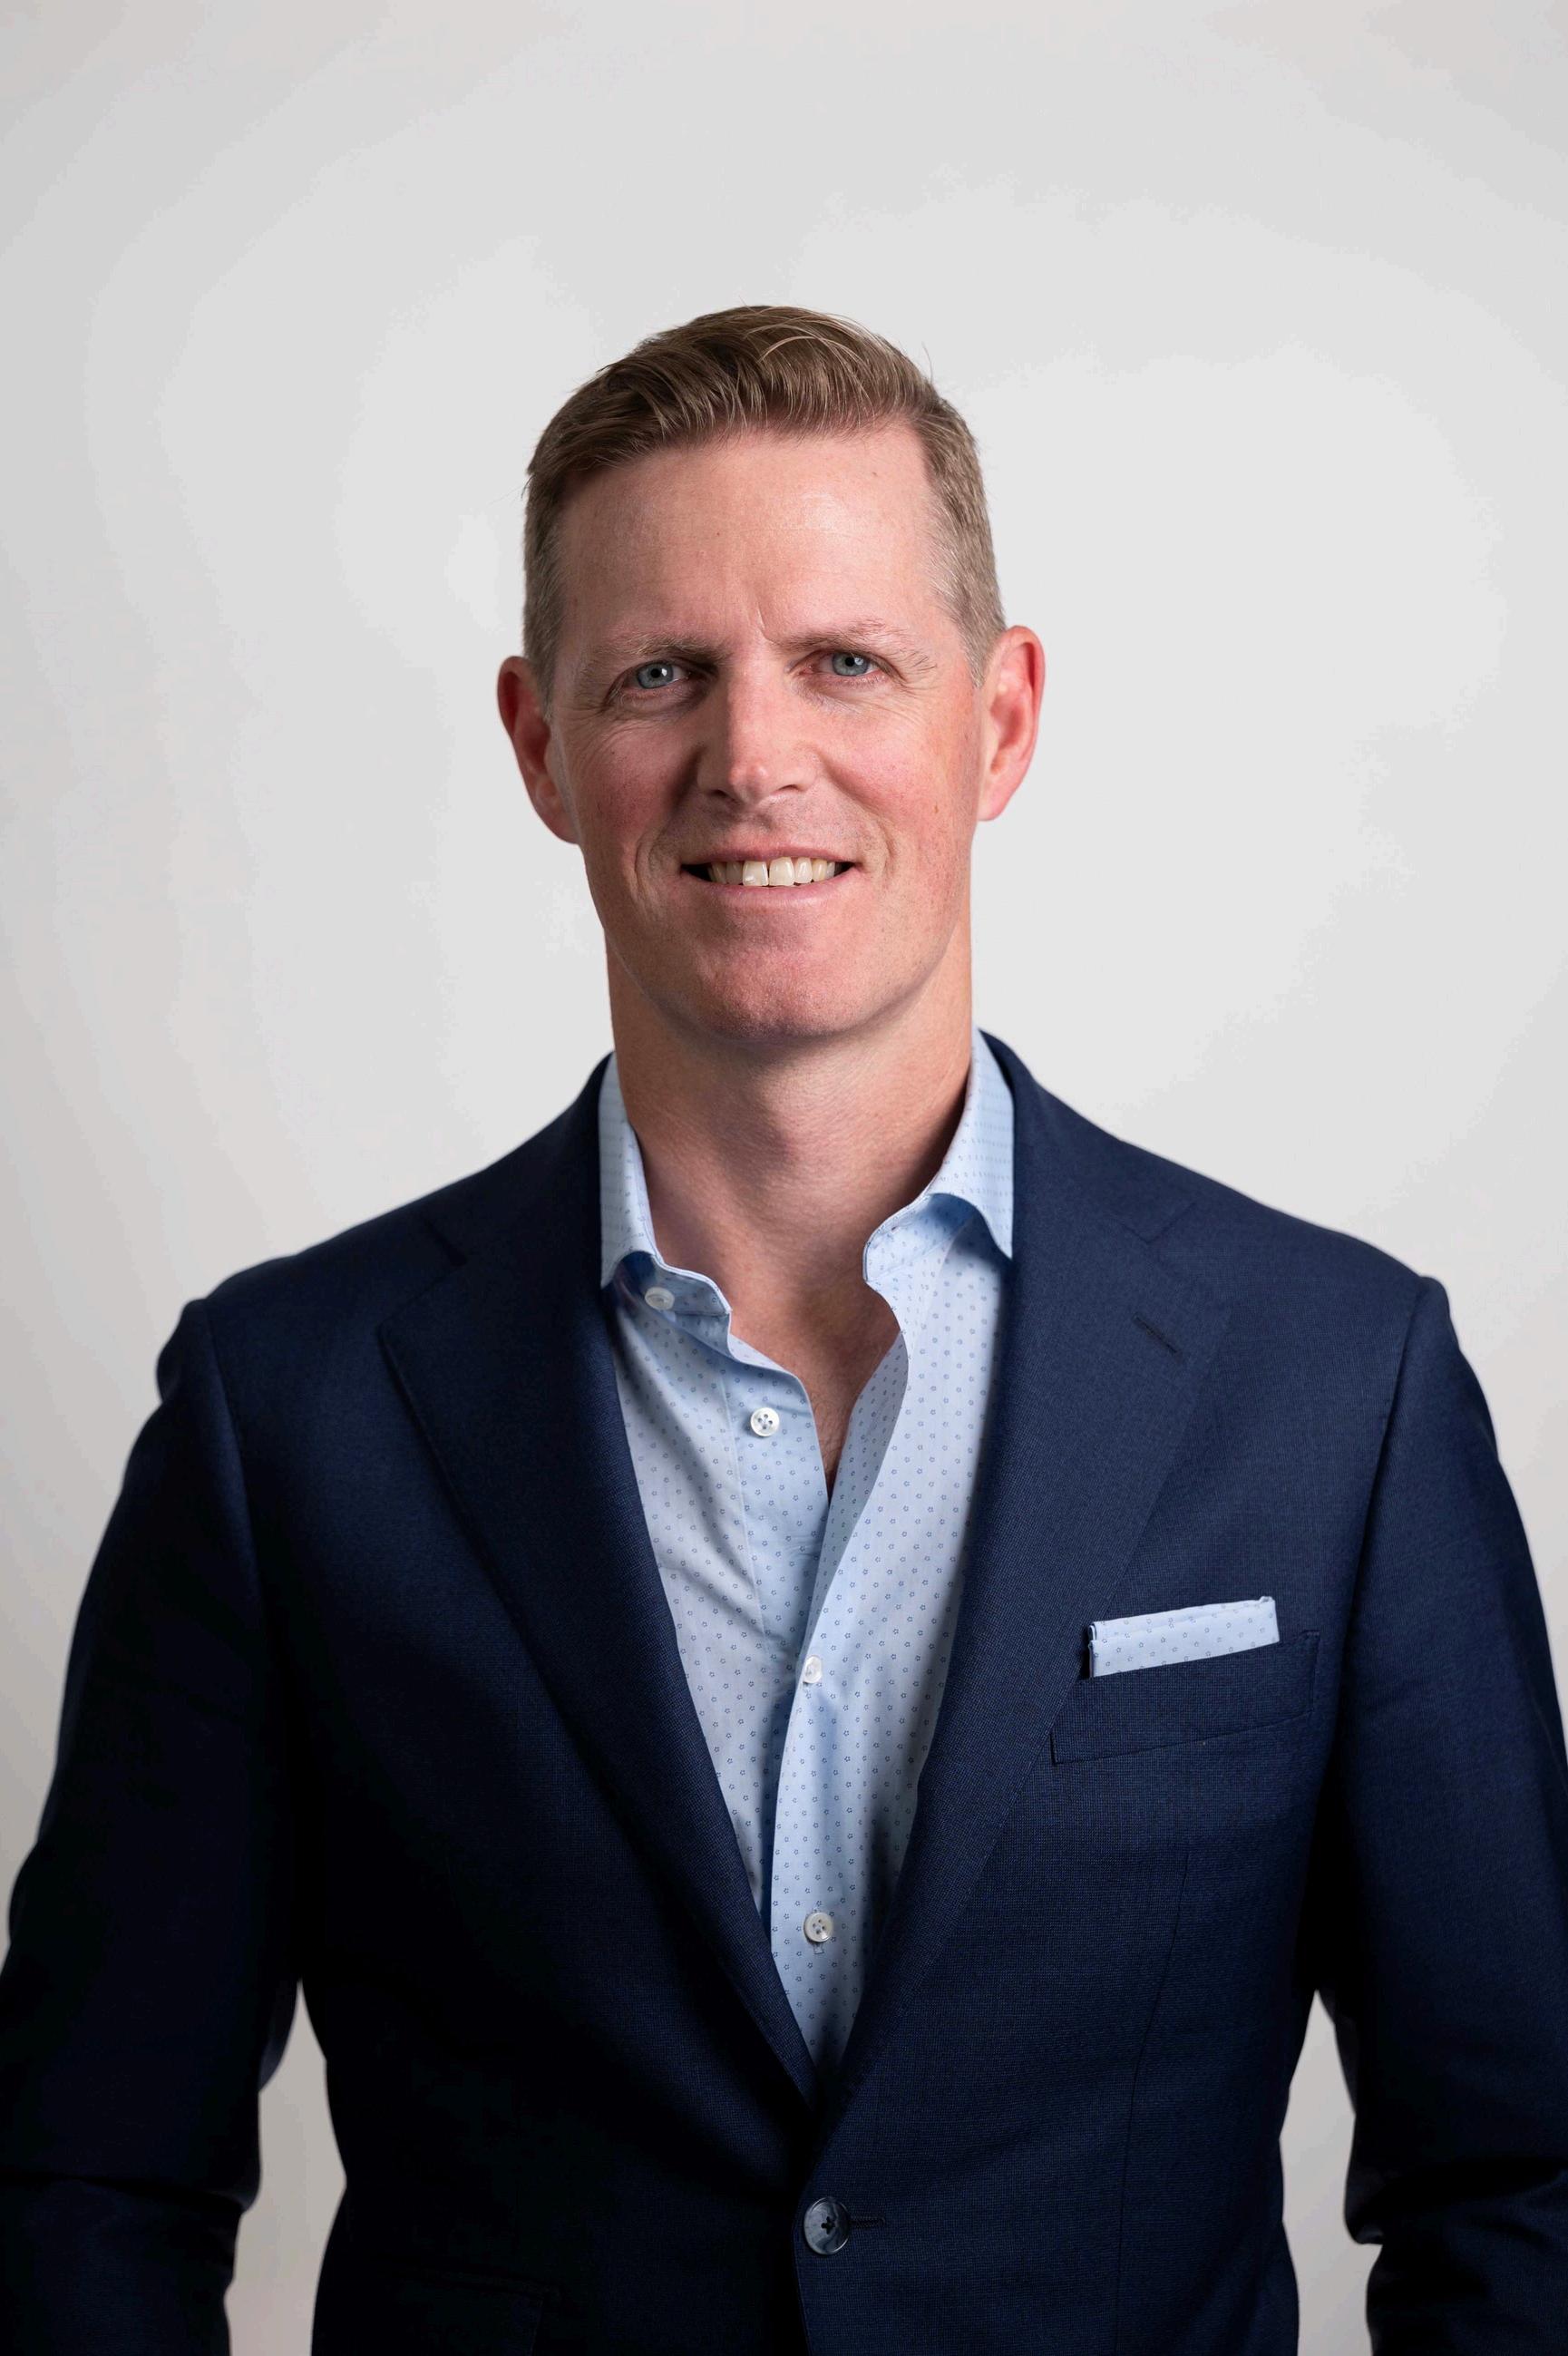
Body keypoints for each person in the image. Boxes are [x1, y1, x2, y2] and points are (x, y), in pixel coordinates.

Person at [1, 303, 1564, 2356]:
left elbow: (1521, 2183)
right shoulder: (284, 1411)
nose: (754, 758)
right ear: (540, 745)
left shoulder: (1334, 1387)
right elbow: (88, 2186)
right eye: (661, 672)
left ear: (999, 719)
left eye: (845, 661)